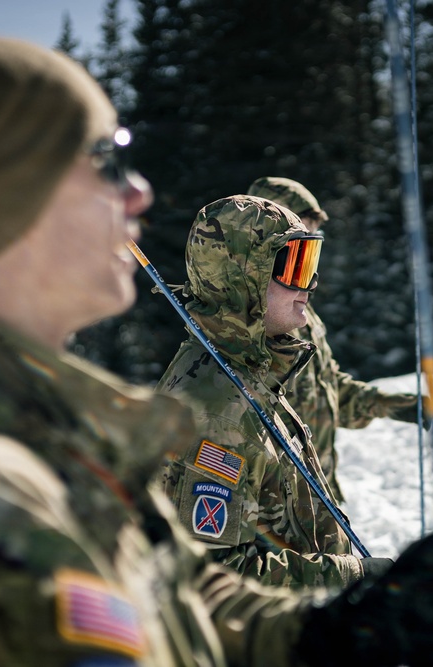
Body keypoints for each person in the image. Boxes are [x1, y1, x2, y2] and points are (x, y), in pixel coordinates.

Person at [0, 31, 433, 667]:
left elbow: (170, 582)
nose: (137, 193)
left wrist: (336, 631)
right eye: (102, 161)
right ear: (2, 198)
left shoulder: (45, 423)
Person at [158, 193, 394, 589]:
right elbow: (214, 578)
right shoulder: (218, 410)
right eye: (294, 269)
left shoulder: (246, 374)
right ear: (243, 279)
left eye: (310, 265)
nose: (310, 286)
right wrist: (353, 579)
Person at [245, 176, 426, 503]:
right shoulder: (251, 323)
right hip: (274, 508)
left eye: (315, 239)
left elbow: (328, 390)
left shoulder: (304, 316)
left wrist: (391, 405)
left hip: (316, 499)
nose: (310, 253)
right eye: (300, 238)